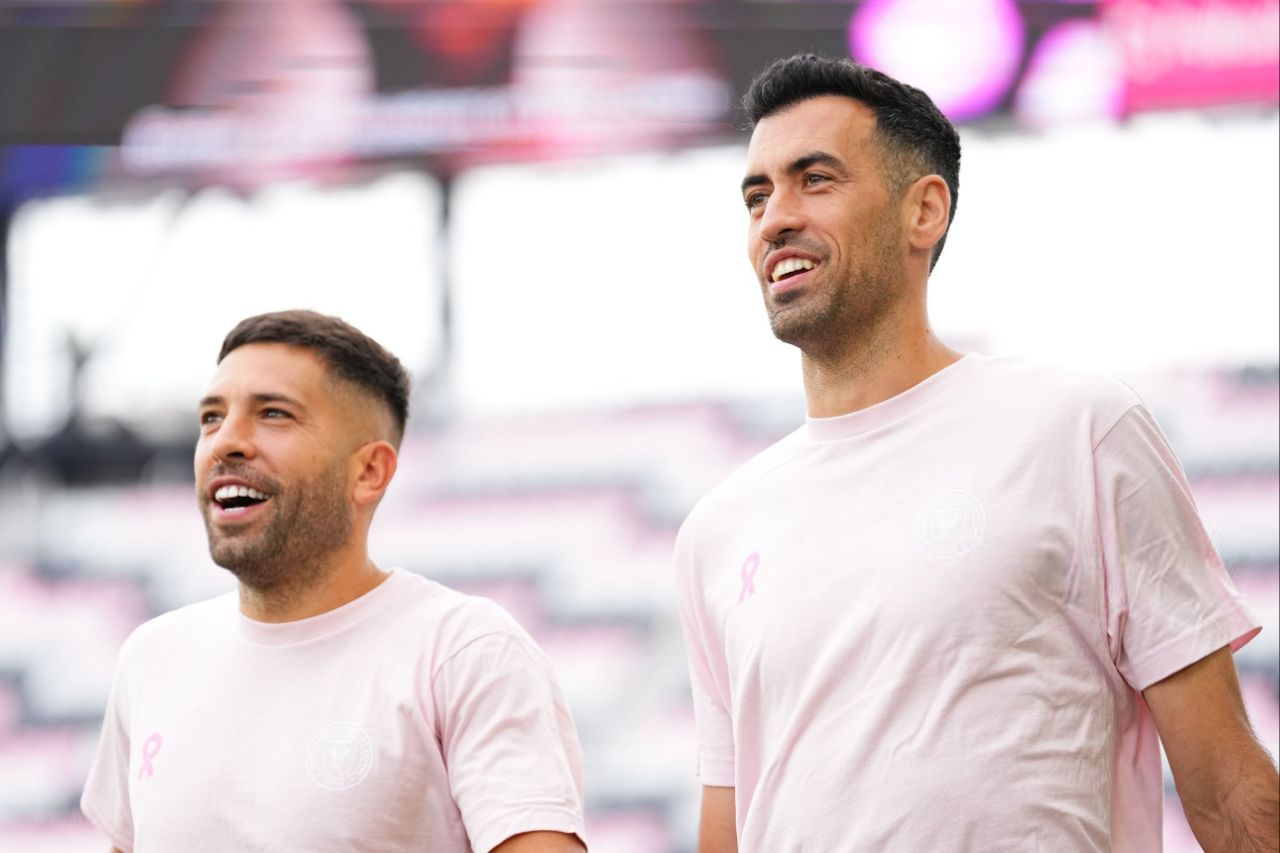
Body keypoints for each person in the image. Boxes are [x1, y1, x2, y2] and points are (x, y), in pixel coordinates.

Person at [675, 54, 1278, 852]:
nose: (774, 219)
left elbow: (1229, 793)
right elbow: (728, 829)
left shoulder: (1079, 431)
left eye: (814, 180)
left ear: (924, 210)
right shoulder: (717, 531)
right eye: (757, 196)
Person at [82, 310, 587, 853]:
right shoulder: (151, 658)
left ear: (369, 472)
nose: (226, 442)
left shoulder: (463, 650)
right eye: (211, 417)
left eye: (273, 414)